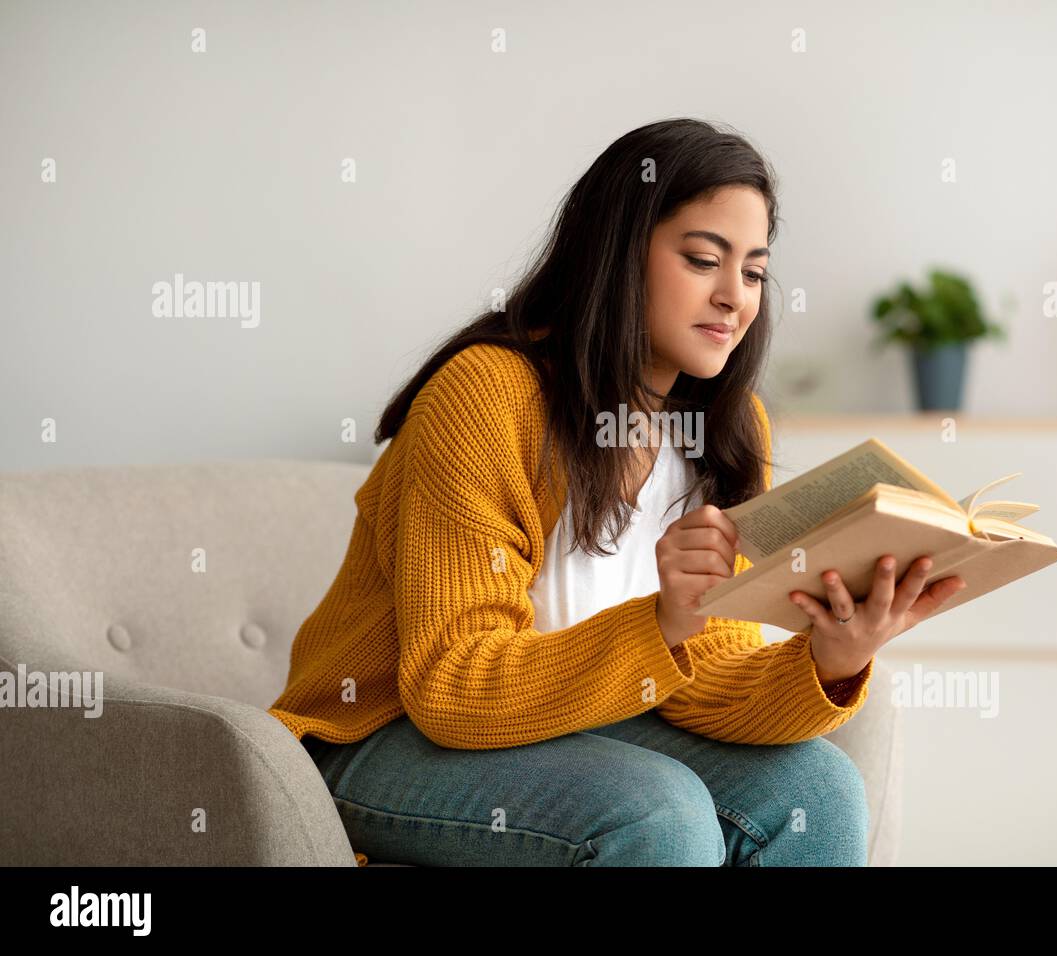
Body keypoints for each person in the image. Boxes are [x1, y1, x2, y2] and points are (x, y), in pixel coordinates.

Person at [270, 117, 966, 866]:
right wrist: (661, 622)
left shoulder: (727, 428)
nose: (735, 297)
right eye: (705, 259)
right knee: (656, 814)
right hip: (382, 736)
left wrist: (832, 657)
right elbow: (450, 686)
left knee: (817, 792)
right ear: (618, 254)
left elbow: (707, 677)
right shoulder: (485, 398)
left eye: (756, 272)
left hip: (579, 731)